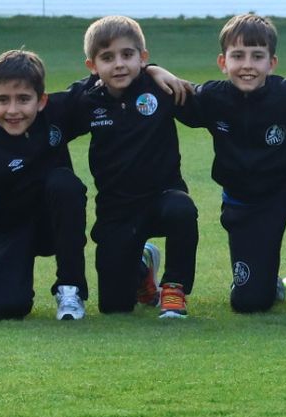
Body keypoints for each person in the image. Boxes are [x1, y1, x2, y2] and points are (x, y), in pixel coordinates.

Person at [180, 15, 286, 315]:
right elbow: (173, 97)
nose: (247, 65)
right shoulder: (212, 98)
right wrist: (154, 70)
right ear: (223, 62)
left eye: (257, 56)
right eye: (238, 56)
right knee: (249, 303)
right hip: (247, 203)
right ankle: (263, 279)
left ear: (271, 63)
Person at [50, 17, 199, 318]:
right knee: (115, 307)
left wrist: (158, 70)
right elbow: (44, 117)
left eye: (127, 55)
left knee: (182, 210)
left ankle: (174, 289)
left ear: (142, 58)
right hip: (117, 208)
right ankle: (142, 269)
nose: (119, 64)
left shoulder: (161, 88)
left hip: (163, 196)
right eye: (107, 58)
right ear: (92, 65)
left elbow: (211, 104)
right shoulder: (86, 99)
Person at [0, 50, 87, 322]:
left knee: (65, 184)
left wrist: (152, 70)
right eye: (3, 100)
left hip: (55, 224)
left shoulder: (57, 114)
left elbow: (102, 82)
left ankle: (70, 287)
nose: (13, 110)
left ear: (41, 101)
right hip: (11, 231)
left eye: (23, 99)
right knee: (5, 309)